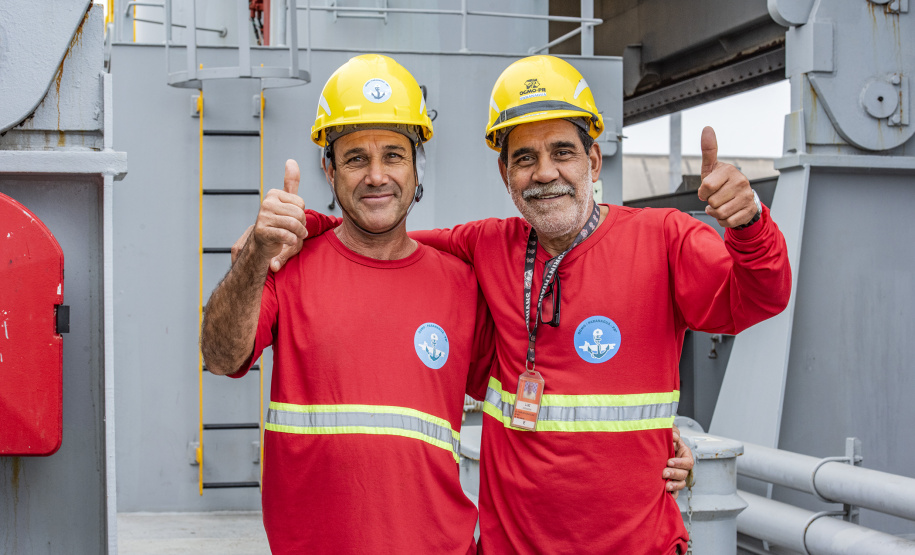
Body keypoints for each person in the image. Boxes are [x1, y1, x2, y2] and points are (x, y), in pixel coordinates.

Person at [294, 55, 791, 553]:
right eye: (525, 158)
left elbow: (759, 297)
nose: (544, 172)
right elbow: (384, 238)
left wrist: (749, 224)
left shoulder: (664, 239)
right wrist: (304, 229)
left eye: (562, 152)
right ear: (505, 171)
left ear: (593, 160)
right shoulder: (486, 245)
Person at [200, 54, 495, 554]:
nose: (376, 176)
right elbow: (220, 356)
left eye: (394, 155)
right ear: (329, 169)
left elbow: (525, 409)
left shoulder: (461, 285)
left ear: (417, 165)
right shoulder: (286, 268)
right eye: (356, 158)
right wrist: (255, 256)